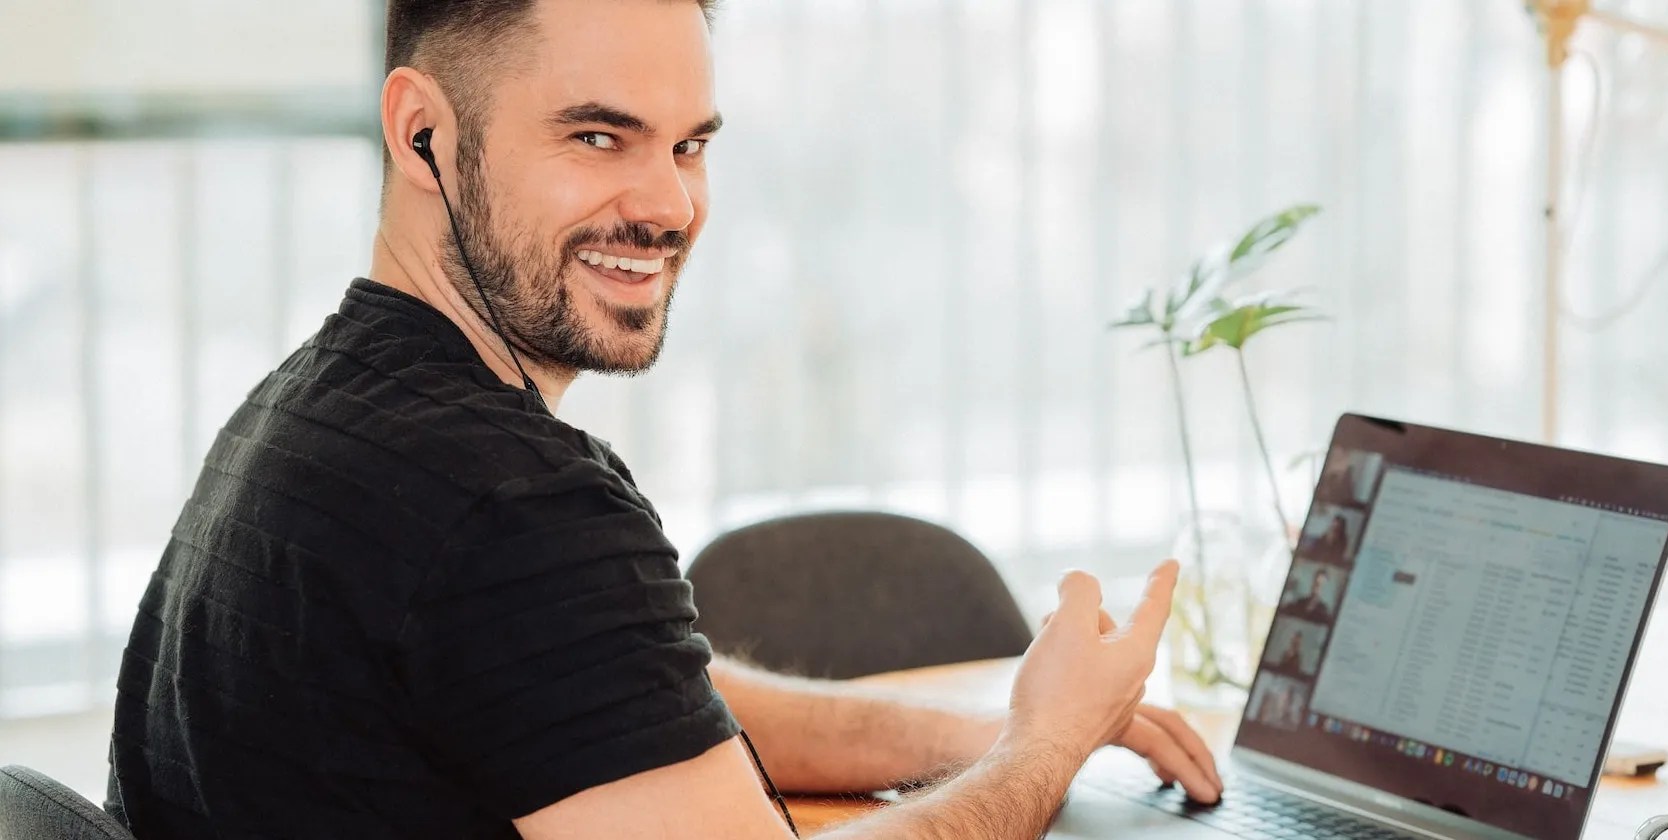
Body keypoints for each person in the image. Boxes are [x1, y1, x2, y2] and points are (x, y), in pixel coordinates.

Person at [104, 2, 1221, 838]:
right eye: (599, 137)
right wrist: (1043, 752)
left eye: (688, 145)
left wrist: (976, 733)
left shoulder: (317, 413)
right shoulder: (508, 502)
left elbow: (611, 703)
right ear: (421, 133)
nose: (668, 205)